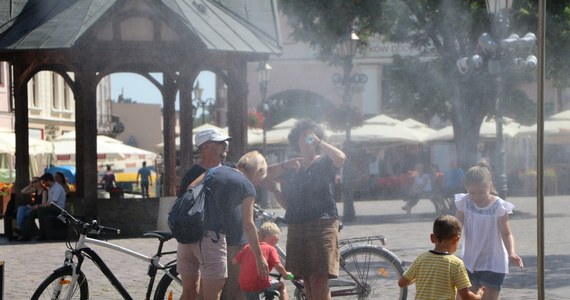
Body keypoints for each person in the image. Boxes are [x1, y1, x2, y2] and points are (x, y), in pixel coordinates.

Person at [266, 118, 346, 300]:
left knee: (319, 279)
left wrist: (319, 142)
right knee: (306, 280)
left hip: (322, 224)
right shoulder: (293, 166)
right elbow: (265, 173)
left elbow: (340, 158)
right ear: (296, 140)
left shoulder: (324, 162)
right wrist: (281, 176)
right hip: (297, 226)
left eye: (311, 134)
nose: (308, 138)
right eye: (303, 135)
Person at [177, 151, 269, 300]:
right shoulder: (246, 185)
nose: (258, 183)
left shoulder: (214, 170)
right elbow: (248, 224)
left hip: (187, 237)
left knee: (190, 293)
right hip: (211, 239)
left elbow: (189, 189)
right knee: (213, 296)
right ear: (257, 171)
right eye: (260, 178)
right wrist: (259, 257)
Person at [177, 128, 243, 300]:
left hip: (228, 237)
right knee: (202, 293)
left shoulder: (230, 168)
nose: (225, 145)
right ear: (206, 147)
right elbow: (184, 204)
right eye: (219, 142)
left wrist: (284, 166)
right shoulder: (193, 174)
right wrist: (211, 173)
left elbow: (253, 171)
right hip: (207, 238)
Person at [455, 159, 524, 300]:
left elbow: (506, 233)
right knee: (463, 298)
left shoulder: (499, 206)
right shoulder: (464, 202)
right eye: (472, 193)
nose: (477, 197)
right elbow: (456, 226)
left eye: (481, 192)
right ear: (467, 189)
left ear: (489, 186)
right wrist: (446, 245)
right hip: (470, 260)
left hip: (493, 262)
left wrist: (511, 252)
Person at [398, 215, 485, 300]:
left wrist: (419, 277)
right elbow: (465, 296)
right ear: (456, 239)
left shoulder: (420, 259)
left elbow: (401, 283)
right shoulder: (456, 264)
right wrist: (479, 296)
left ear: (432, 238)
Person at [232, 222, 291, 300]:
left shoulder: (247, 247)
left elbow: (234, 261)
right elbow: (278, 266)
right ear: (274, 239)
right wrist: (285, 274)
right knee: (281, 285)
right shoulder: (271, 248)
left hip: (244, 284)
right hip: (260, 284)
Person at [34, 172, 67, 240]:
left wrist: (41, 206)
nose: (43, 184)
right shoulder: (50, 188)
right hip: (51, 207)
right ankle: (29, 232)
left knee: (41, 211)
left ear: (48, 181)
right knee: (33, 212)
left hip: (58, 209)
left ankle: (42, 235)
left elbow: (53, 202)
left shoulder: (57, 188)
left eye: (44, 182)